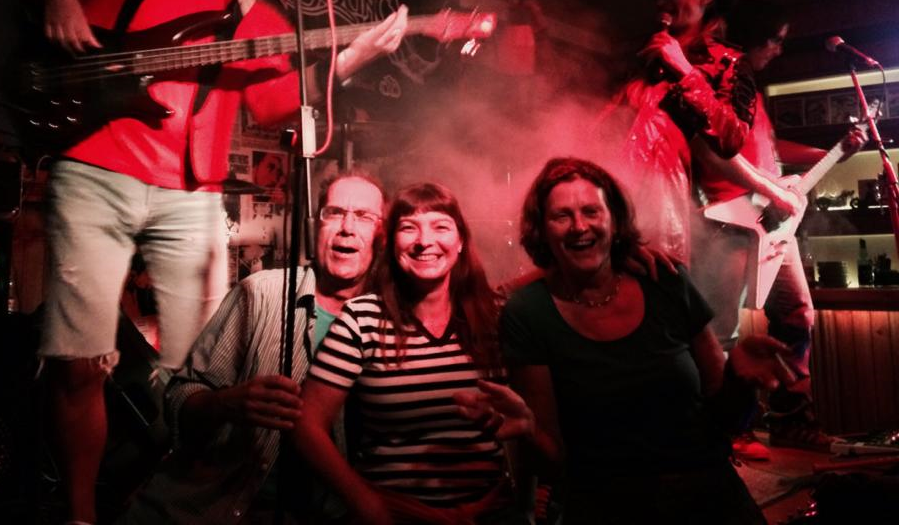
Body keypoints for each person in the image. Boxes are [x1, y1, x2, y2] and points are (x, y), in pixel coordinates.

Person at [33, 0, 409, 525]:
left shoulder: (264, 18)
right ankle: (79, 514)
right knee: (77, 361)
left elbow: (279, 104)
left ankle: (169, 491)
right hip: (95, 161)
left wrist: (355, 58)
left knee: (197, 369)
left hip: (191, 190)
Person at [501, 157, 796, 524]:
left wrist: (738, 377)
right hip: (606, 506)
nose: (579, 226)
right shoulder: (529, 312)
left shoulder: (666, 281)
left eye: (591, 210)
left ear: (614, 219)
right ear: (542, 230)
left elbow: (726, 420)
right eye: (561, 216)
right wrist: (527, 431)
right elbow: (555, 460)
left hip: (707, 496)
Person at [115, 173, 386, 524]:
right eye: (333, 212)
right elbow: (179, 397)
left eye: (364, 216)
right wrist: (227, 402)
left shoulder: (392, 322)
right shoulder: (261, 294)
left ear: (381, 235)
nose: (347, 227)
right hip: (213, 508)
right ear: (314, 226)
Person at [293, 182, 532, 525]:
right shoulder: (363, 317)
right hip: (395, 516)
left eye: (440, 226)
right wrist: (366, 503)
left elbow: (531, 424)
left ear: (461, 241)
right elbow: (306, 425)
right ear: (392, 245)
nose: (424, 241)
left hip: (489, 513)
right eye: (409, 228)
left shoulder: (494, 316)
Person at [691, 0, 866, 454]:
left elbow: (771, 148)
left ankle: (791, 416)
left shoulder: (753, 94)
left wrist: (835, 150)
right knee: (722, 327)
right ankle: (731, 428)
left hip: (771, 218)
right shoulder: (723, 86)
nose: (779, 50)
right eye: (776, 41)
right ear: (753, 38)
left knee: (797, 313)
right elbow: (715, 151)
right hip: (729, 220)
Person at [607, 0, 757, 261]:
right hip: (612, 203)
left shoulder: (727, 63)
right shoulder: (641, 58)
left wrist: (684, 71)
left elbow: (731, 137)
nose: (661, 2)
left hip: (666, 218)